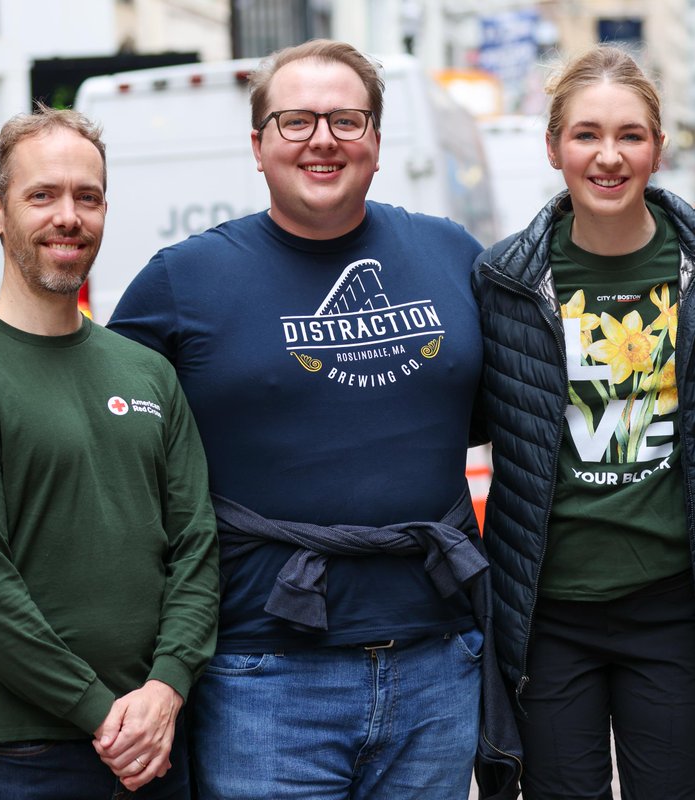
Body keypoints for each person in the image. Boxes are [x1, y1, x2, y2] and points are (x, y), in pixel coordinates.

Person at [108, 39, 517, 800]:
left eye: (345, 120)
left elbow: (508, 407)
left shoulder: (452, 254)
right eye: (295, 121)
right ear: (258, 146)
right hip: (265, 675)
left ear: (377, 143)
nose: (322, 139)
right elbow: (109, 448)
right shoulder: (182, 281)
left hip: (436, 664)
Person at [472, 45, 695, 799]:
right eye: (586, 134)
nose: (608, 155)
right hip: (548, 616)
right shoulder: (504, 279)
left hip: (676, 609)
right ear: (555, 146)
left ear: (658, 147)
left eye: (630, 135)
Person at [0, 107, 218, 798]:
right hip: (21, 755)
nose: (69, 216)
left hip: (158, 737)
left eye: (87, 197)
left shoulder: (146, 371)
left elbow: (195, 544)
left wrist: (166, 686)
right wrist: (105, 714)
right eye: (43, 195)